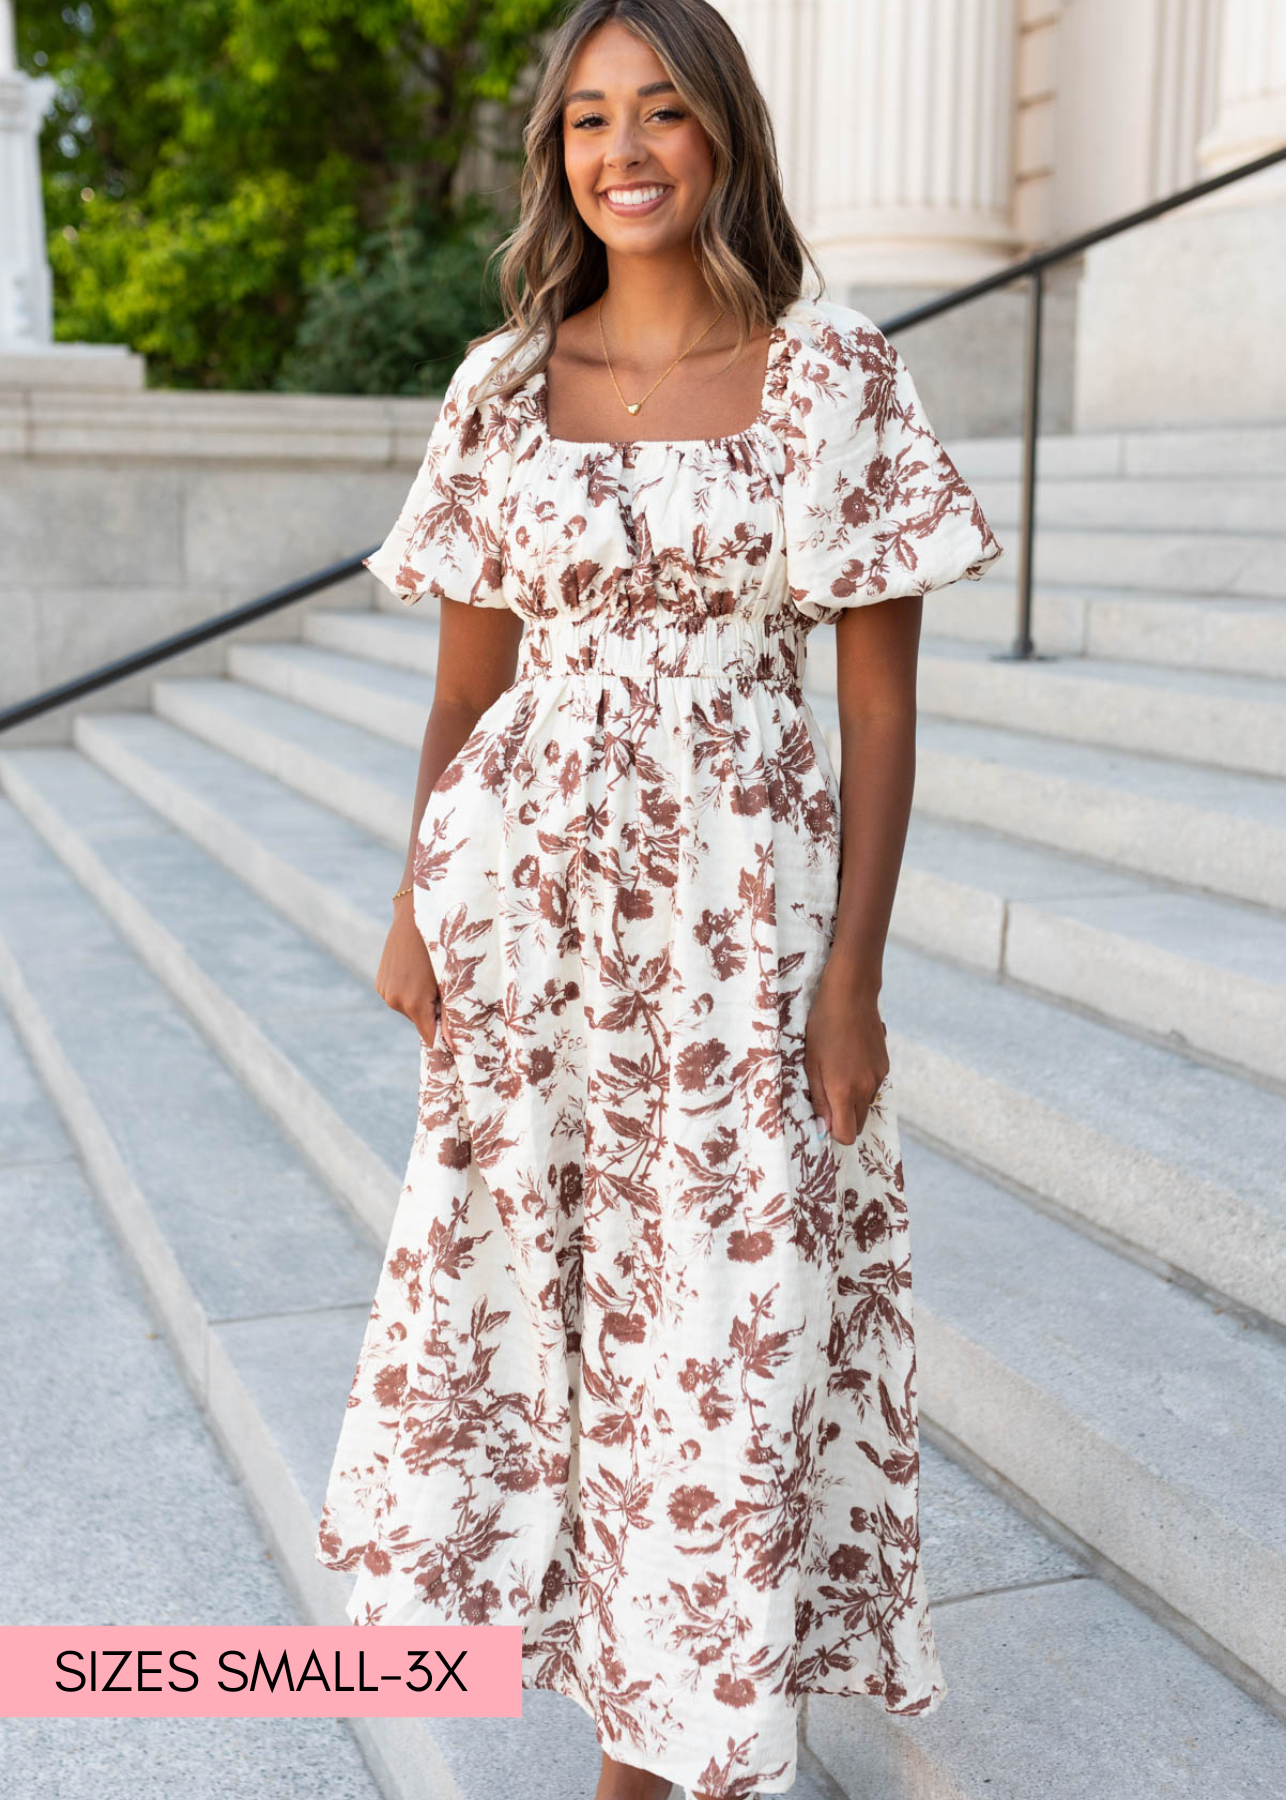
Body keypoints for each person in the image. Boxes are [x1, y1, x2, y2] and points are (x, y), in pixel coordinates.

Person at [315, 2, 1003, 1796]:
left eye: (662, 112)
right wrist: (414, 907)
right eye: (585, 121)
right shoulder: (498, 383)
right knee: (545, 1303)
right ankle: (624, 1688)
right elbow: (466, 690)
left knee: (722, 1314)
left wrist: (848, 978)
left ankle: (677, 1735)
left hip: (737, 921)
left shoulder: (832, 375)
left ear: (724, 137)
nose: (620, 150)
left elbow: (875, 708)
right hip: (524, 917)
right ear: (556, 156)